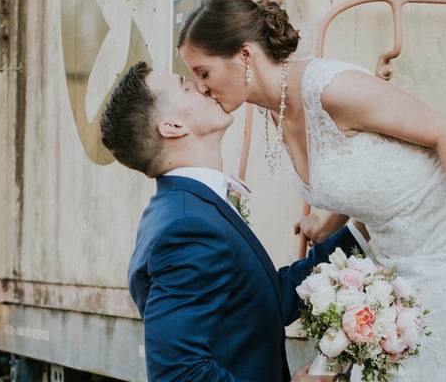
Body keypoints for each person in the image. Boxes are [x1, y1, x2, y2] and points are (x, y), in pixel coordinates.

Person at [177, 0, 446, 381]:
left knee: (411, 369)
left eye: (203, 73)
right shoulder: (275, 109)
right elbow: (360, 169)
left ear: (243, 55)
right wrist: (327, 224)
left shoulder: (332, 89)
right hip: (400, 254)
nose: (200, 87)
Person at [100, 61, 369, 381]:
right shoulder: (184, 228)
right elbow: (179, 375)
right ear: (172, 126)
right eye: (186, 86)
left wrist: (360, 228)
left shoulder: (191, 208)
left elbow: (268, 302)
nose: (202, 86)